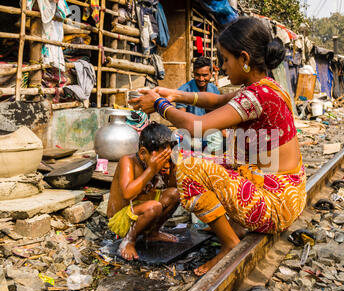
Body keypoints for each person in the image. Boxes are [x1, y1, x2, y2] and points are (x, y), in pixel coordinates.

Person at [130, 17, 307, 276]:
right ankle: (229, 225)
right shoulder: (266, 88)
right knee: (194, 156)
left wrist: (160, 106)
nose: (222, 67)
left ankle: (229, 242)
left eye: (225, 59)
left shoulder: (255, 96)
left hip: (276, 204)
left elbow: (198, 126)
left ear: (244, 58)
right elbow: (217, 100)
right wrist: (175, 94)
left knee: (187, 165)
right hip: (285, 192)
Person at [107, 122, 180, 261]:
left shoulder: (163, 165)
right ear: (143, 153)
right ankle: (129, 241)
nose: (164, 163)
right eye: (161, 159)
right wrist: (151, 170)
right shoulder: (127, 162)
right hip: (121, 220)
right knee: (154, 206)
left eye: (167, 158)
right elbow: (128, 194)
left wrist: (172, 168)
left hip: (146, 209)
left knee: (175, 194)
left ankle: (152, 233)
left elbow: (174, 187)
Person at [176, 56, 225, 153]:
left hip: (210, 133)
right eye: (197, 75)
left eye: (205, 75)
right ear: (193, 73)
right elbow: (180, 120)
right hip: (191, 134)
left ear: (211, 74)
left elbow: (218, 114)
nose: (201, 79)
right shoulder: (183, 91)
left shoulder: (214, 89)